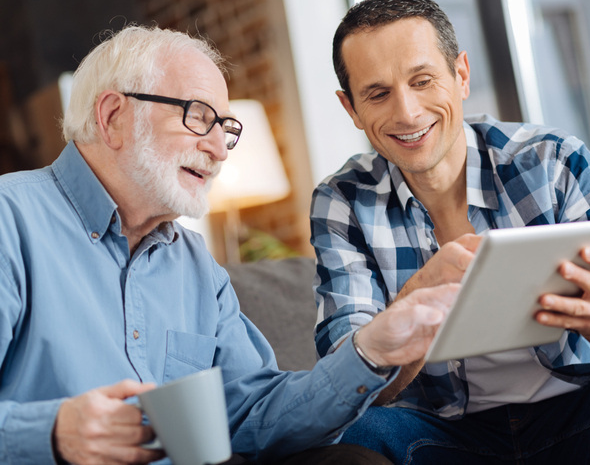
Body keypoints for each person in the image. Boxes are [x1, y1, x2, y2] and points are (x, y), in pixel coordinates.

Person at [0, 24, 461, 465]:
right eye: (199, 116)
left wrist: (371, 351)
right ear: (113, 116)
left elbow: (256, 414)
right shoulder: (11, 220)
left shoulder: (194, 263)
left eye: (225, 127)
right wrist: (54, 432)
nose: (220, 148)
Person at [310, 0, 590, 464]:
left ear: (460, 75)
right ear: (351, 109)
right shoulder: (342, 201)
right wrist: (417, 305)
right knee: (355, 433)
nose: (406, 112)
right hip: (448, 437)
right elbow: (345, 386)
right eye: (378, 94)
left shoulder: (551, 160)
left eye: (422, 80)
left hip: (585, 412)